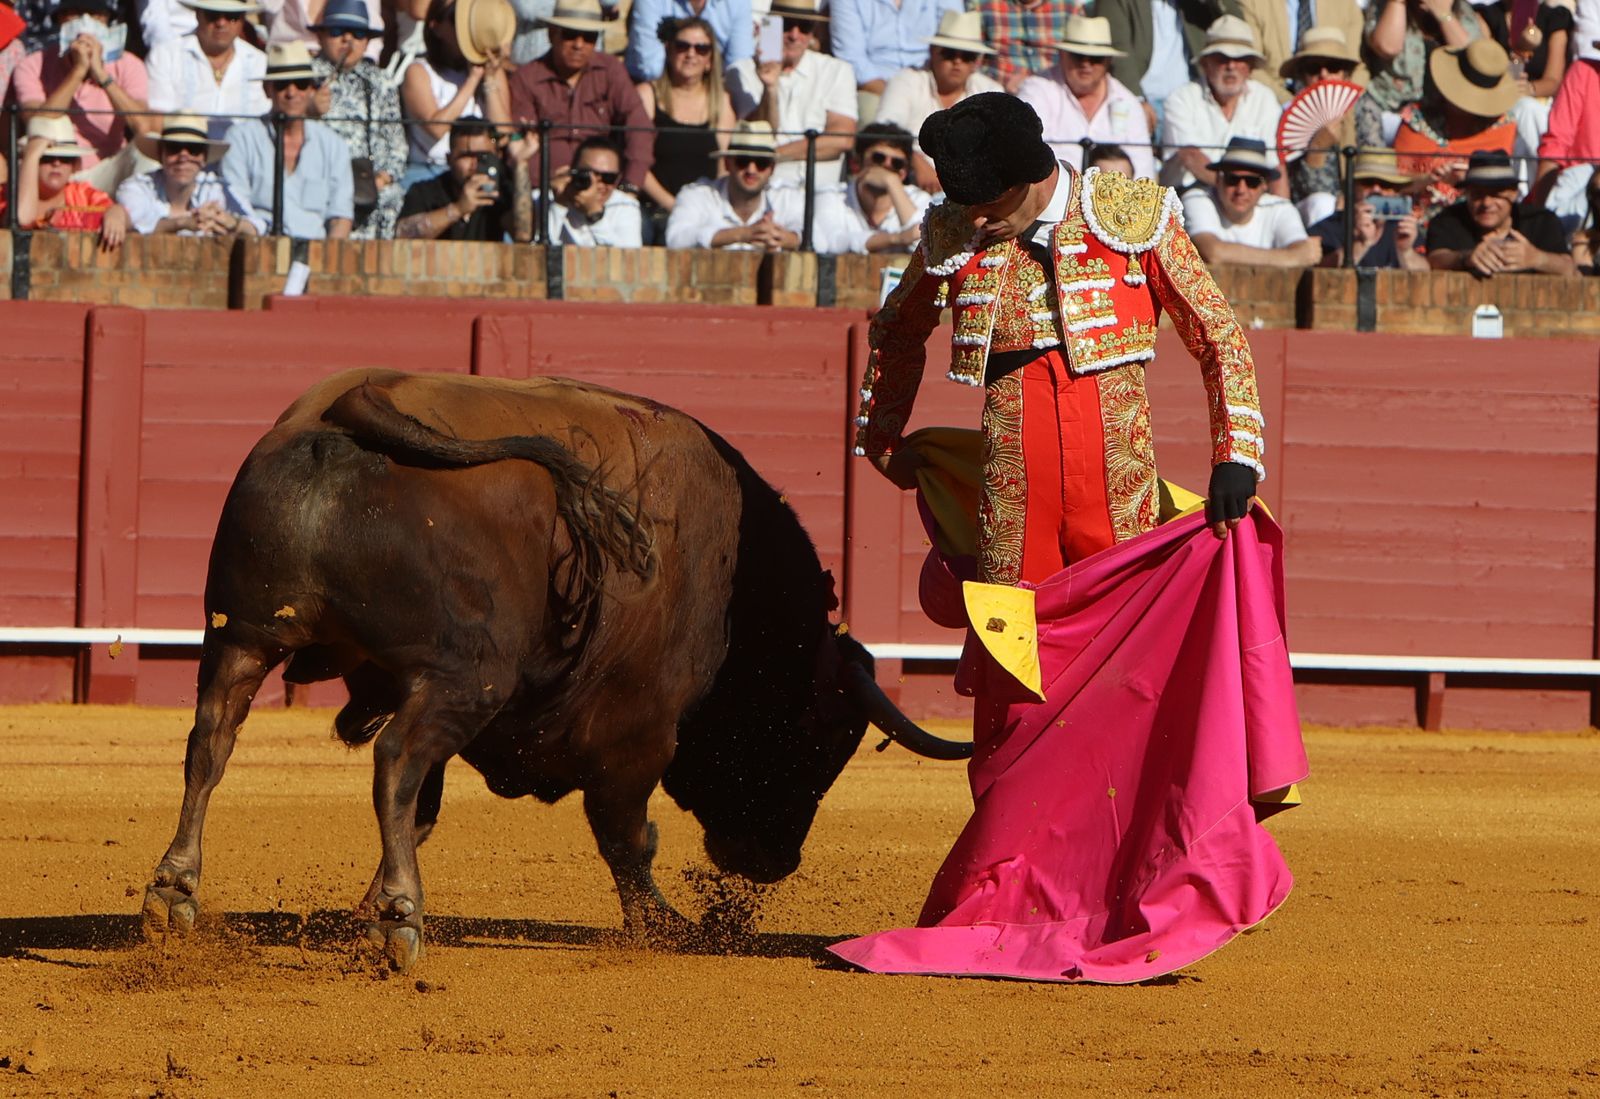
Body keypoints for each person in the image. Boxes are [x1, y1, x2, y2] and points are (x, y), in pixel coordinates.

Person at [830, 92, 1304, 986]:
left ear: (1032, 176)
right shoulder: (954, 232)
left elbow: (1219, 335)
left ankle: (1131, 897)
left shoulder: (1132, 214)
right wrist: (885, 438)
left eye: (989, 201)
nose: (973, 216)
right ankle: (1009, 898)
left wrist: (1238, 450)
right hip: (1014, 505)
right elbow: (896, 331)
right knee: (1017, 697)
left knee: (1132, 693)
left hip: (1119, 505)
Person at [508, 0, 655, 191]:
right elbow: (519, 144)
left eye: (588, 37)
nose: (579, 44)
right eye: (570, 35)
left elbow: (639, 126)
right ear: (552, 34)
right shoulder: (526, 78)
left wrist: (630, 185)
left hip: (606, 188)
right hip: (545, 190)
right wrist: (546, 184)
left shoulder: (610, 71)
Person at [221, 42, 354, 238]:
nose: (291, 93)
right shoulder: (241, 138)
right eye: (282, 85)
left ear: (311, 90)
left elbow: (340, 217)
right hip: (258, 249)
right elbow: (236, 207)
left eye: (300, 84)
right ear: (268, 90)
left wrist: (326, 261)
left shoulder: (333, 145)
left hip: (314, 254)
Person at [725, 0, 858, 189]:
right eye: (786, 25)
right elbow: (758, 136)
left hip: (821, 191)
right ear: (769, 25)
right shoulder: (741, 72)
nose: (795, 35)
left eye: (804, 27)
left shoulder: (837, 70)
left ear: (813, 32)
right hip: (763, 190)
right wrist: (769, 89)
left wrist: (774, 155)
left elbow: (841, 139)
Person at [10, 0, 154, 170]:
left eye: (94, 15)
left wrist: (101, 75)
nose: (86, 22)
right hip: (54, 168)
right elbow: (37, 122)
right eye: (76, 14)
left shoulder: (129, 64)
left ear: (106, 20)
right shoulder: (32, 64)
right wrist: (78, 71)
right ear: (61, 19)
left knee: (146, 156)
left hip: (106, 169)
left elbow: (143, 126)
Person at [871, 10, 1002, 193]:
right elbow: (885, 132)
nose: (957, 61)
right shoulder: (905, 81)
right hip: (907, 182)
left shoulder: (991, 91)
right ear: (932, 52)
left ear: (975, 62)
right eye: (949, 53)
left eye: (967, 56)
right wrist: (915, 160)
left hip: (972, 188)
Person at [310, 0, 408, 238]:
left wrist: (381, 179)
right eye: (337, 31)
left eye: (358, 34)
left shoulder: (381, 82)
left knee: (391, 197)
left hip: (366, 179)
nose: (348, 39)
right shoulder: (305, 76)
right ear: (321, 36)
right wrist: (308, 110)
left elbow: (396, 146)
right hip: (317, 176)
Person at [1391, 37, 1519, 219]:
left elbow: (1499, 185)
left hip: (1475, 221)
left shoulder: (1503, 126)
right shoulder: (1416, 120)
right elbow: (1395, 183)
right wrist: (1429, 178)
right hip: (1414, 221)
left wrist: (1468, 179)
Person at [1160, 16, 1288, 196]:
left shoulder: (1265, 100)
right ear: (1205, 64)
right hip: (1193, 192)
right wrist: (1232, 191)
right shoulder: (1181, 98)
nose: (1231, 66)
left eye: (1240, 58)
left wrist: (1282, 208)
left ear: (1250, 67)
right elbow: (1190, 156)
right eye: (1222, 58)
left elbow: (1276, 166)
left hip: (1250, 197)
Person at [1017, 14, 1153, 177]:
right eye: (1078, 56)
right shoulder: (1036, 91)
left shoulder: (1128, 102)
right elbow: (1025, 158)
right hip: (1056, 198)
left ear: (1108, 60)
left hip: (1113, 199)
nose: (1086, 64)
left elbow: (1144, 173)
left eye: (1096, 58)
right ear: (1062, 55)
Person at [634, 16, 735, 233]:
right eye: (682, 46)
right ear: (669, 50)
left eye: (701, 49)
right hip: (654, 209)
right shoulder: (647, 95)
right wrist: (675, 206)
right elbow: (636, 162)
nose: (691, 54)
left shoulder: (721, 102)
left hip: (703, 213)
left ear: (710, 60)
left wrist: (700, 211)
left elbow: (724, 167)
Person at [401, 0, 514, 189]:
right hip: (431, 169)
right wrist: (472, 80)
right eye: (455, 18)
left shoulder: (493, 73)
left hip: (482, 169)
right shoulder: (419, 71)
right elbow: (436, 129)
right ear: (435, 27)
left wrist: (489, 80)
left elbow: (502, 135)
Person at [1425, 147, 1574, 274]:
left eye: (1496, 195)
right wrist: (1466, 258)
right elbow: (1435, 259)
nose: (1487, 203)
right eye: (1477, 195)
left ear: (1513, 193)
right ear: (1466, 194)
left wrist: (1537, 258)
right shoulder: (1448, 219)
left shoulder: (1540, 220)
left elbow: (1569, 268)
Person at [1356, 0, 1481, 149]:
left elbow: (1473, 61)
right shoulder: (1381, 6)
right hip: (1389, 109)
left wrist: (1444, 14)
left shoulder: (1461, 10)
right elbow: (1388, 47)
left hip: (1440, 119)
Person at [664, 119, 807, 248]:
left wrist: (787, 239)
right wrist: (740, 234)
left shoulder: (787, 197)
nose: (751, 170)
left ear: (772, 168)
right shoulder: (698, 194)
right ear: (727, 163)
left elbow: (820, 240)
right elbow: (675, 238)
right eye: (742, 161)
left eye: (761, 163)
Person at [1182, 135, 1321, 265]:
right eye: (1233, 180)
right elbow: (1212, 252)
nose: (1241, 190)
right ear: (1218, 179)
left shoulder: (1280, 208)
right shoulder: (1197, 199)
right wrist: (1291, 257)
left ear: (1264, 185)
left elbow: (1306, 252)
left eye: (1252, 182)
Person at [145, 0, 269, 141]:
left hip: (243, 158)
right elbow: (157, 122)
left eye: (231, 16)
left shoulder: (259, 62)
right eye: (213, 15)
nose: (221, 23)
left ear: (242, 20)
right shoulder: (166, 56)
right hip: (185, 154)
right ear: (198, 14)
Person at [117, 111, 257, 235]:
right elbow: (132, 226)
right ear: (161, 154)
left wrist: (232, 223)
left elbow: (259, 227)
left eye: (193, 149)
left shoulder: (217, 188)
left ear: (204, 158)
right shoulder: (138, 187)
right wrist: (182, 223)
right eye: (174, 148)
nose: (183, 157)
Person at [396, 117, 537, 238]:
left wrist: (520, 163)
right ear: (449, 159)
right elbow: (401, 234)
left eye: (484, 156)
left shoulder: (500, 192)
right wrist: (458, 209)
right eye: (466, 156)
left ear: (497, 156)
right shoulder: (425, 191)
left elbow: (524, 235)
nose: (475, 165)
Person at [0, 114, 128, 248]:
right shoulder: (5, 194)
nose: (56, 163)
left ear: (74, 165)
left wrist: (116, 212)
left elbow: (117, 213)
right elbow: (22, 220)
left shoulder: (82, 194)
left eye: (65, 158)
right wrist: (31, 156)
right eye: (46, 158)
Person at [1100, 0, 1234, 127]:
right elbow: (1119, 51)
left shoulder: (1195, 4)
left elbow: (1235, 23)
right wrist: (1136, 100)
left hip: (1192, 102)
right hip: (1145, 101)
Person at [1278, 26, 1362, 224]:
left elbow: (1373, 164)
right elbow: (1304, 188)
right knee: (1321, 204)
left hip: (1358, 200)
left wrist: (1351, 196)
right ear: (1302, 76)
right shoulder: (1285, 116)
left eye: (1332, 67)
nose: (1323, 74)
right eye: (1314, 68)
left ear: (1345, 74)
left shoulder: (1365, 109)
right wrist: (1317, 148)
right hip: (1308, 207)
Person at [810, 121, 931, 252]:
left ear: (903, 173)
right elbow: (831, 242)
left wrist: (892, 184)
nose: (887, 166)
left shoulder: (919, 199)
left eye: (896, 163)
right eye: (878, 158)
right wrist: (897, 238)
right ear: (857, 162)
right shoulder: (832, 195)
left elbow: (926, 245)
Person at [827, 0, 961, 113]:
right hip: (875, 89)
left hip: (934, 83)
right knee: (869, 111)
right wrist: (897, 95)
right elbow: (852, 58)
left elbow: (957, 34)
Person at [1308, 146, 1428, 269]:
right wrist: (1360, 244)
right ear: (1353, 187)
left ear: (1395, 192)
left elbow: (1427, 276)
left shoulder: (1403, 228)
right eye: (1368, 182)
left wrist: (1406, 251)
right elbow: (1318, 275)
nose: (1376, 189)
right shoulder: (1328, 228)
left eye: (1385, 184)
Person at [1235, 0, 1367, 102]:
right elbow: (1251, 65)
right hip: (1275, 98)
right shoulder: (1253, 3)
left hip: (1333, 99)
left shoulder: (1345, 5)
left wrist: (1343, 104)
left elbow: (1356, 66)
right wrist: (1291, 105)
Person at [968, 0, 1083, 94]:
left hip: (1054, 93)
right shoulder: (985, 6)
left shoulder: (1069, 8)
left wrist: (1033, 82)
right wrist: (996, 85)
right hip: (998, 94)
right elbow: (971, 61)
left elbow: (1081, 59)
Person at [545, 134, 644, 243]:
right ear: (573, 171)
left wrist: (594, 214)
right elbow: (538, 253)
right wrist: (559, 205)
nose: (598, 184)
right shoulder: (547, 198)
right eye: (588, 175)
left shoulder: (625, 205)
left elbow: (628, 257)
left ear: (618, 178)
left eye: (608, 177)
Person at [623, 0, 752, 82]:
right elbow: (649, 68)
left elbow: (739, 66)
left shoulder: (738, 3)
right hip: (655, 90)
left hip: (713, 91)